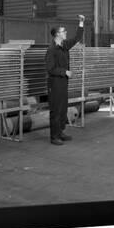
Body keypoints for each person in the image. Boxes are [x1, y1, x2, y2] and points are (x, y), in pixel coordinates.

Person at [45, 15, 85, 145]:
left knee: (62, 109)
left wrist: (81, 23)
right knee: (56, 110)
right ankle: (54, 136)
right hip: (55, 83)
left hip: (63, 83)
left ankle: (61, 132)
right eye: (64, 31)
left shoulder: (64, 46)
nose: (66, 33)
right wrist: (65, 72)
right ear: (57, 34)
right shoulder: (51, 50)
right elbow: (50, 69)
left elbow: (77, 38)